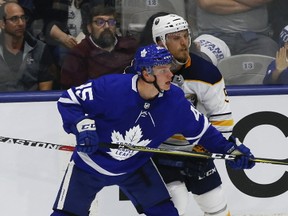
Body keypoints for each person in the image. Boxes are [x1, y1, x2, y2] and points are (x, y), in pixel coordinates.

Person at [52, 43, 255, 216]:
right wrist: (82, 127)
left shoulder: (175, 101)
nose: (170, 74)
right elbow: (69, 100)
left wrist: (231, 151)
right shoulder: (111, 87)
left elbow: (204, 133)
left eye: (170, 68)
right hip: (90, 166)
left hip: (135, 166)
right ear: (146, 73)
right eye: (163, 70)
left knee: (165, 212)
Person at [143, 13, 234, 216]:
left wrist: (204, 151)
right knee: (175, 203)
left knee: (215, 204)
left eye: (185, 36)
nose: (184, 43)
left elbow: (222, 119)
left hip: (196, 151)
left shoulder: (207, 74)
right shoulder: (144, 71)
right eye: (176, 38)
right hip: (159, 153)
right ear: (160, 41)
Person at [60, 5, 137, 89]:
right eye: (100, 22)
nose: (107, 26)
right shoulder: (78, 54)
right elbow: (71, 91)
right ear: (89, 28)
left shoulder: (130, 47)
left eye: (111, 22)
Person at [0, 2, 54, 91]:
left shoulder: (40, 49)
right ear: (2, 24)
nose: (21, 23)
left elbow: (45, 92)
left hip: (32, 103)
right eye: (14, 19)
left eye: (23, 18)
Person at [195, 0, 278, 57]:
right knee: (199, 61)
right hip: (212, 37)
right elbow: (207, 3)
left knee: (271, 65)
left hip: (256, 38)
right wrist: (253, 4)